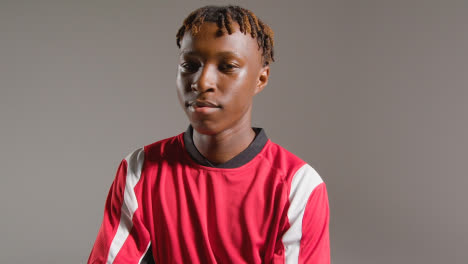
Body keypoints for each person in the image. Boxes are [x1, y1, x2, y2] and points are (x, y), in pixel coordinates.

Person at [88, 5, 330, 264]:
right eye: (190, 65)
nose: (202, 82)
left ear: (260, 79)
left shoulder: (298, 186)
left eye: (227, 66)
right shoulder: (141, 170)